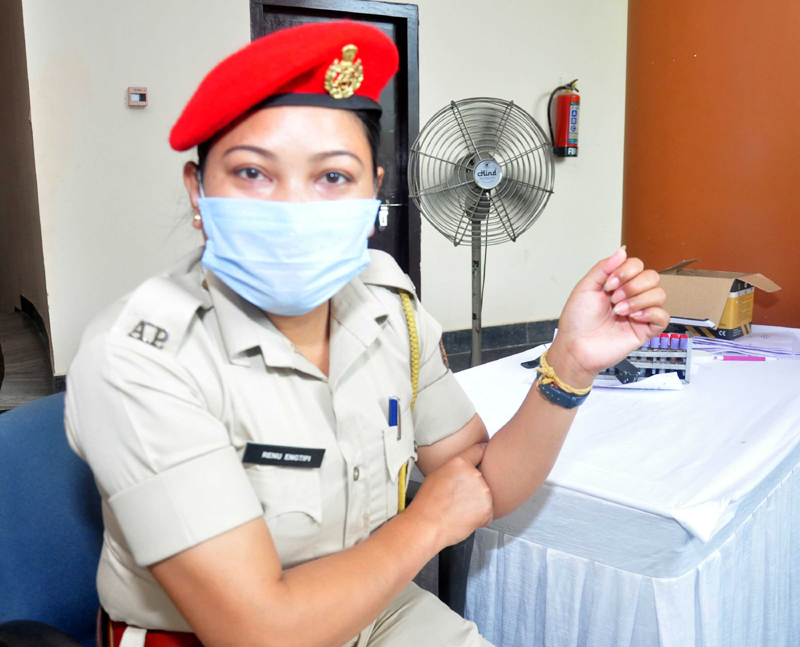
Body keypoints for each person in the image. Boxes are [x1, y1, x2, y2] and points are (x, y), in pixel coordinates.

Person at [64, 20, 668, 647]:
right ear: (198, 192)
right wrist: (425, 525)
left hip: (375, 610)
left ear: (374, 193)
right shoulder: (140, 355)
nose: (294, 209)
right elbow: (256, 630)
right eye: (251, 173)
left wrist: (569, 363)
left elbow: (480, 482)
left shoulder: (385, 306)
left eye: (332, 178)